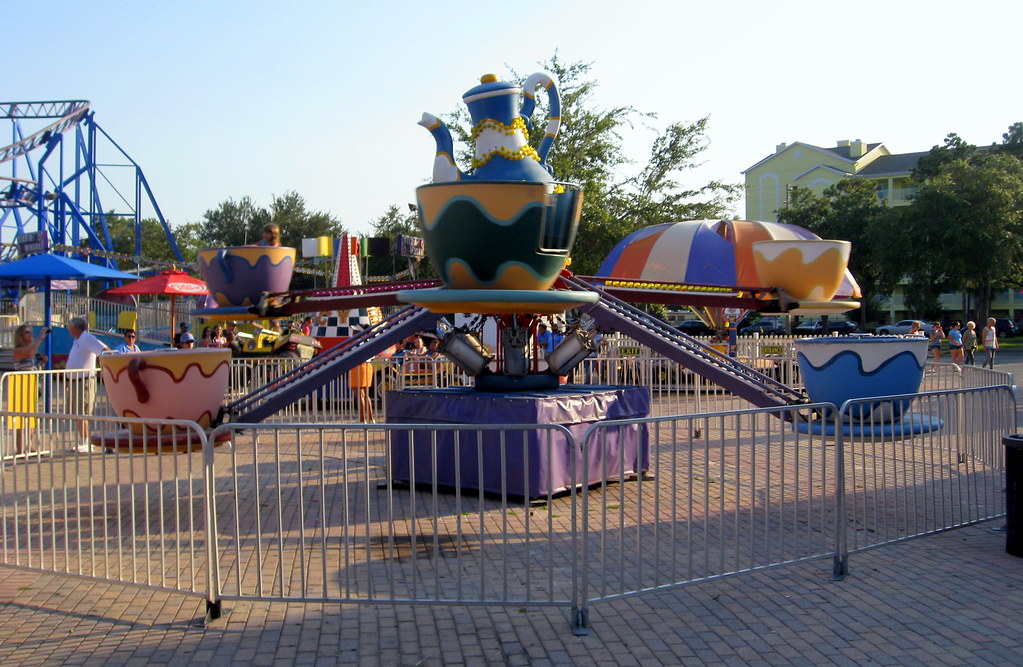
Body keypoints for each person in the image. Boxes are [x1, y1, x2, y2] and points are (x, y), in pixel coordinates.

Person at [66, 316, 110, 452]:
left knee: (83, 411)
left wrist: (106, 367)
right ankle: (82, 440)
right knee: (77, 413)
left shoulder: (87, 338)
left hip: (84, 381)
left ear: (74, 327)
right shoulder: (77, 340)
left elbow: (105, 350)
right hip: (74, 381)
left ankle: (86, 441)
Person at [10, 324, 49, 455]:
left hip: (33, 386)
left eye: (31, 332)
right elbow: (30, 353)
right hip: (21, 386)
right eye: (27, 332)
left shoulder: (31, 351)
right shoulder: (19, 350)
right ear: (20, 336)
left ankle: (30, 446)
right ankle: (20, 449)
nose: (30, 335)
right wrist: (40, 338)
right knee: (21, 417)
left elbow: (34, 357)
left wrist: (42, 362)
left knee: (32, 417)